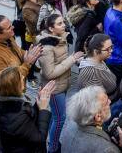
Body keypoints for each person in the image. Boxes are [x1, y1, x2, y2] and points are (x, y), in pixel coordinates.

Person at [37, 14, 84, 153]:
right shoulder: (47, 47)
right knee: (60, 118)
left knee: (54, 117)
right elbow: (49, 73)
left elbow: (60, 62)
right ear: (51, 29)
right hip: (53, 88)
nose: (63, 25)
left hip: (62, 84)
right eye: (59, 24)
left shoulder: (60, 39)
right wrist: (72, 59)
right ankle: (53, 148)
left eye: (63, 22)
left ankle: (51, 141)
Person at [0, 66, 55, 153]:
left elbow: (27, 125)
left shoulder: (3, 104)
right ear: (14, 87)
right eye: (21, 79)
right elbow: (39, 140)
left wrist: (37, 104)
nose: (23, 78)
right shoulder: (16, 115)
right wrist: (43, 110)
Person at [0, 15, 42, 95]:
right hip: (0, 101)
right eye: (9, 28)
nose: (13, 27)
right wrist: (27, 64)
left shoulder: (8, 38)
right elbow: (6, 84)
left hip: (15, 92)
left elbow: (18, 51)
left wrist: (28, 54)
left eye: (11, 25)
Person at [59, 86, 122, 153]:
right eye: (106, 102)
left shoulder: (69, 127)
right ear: (98, 116)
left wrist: (108, 131)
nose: (110, 101)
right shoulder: (107, 149)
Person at [76, 34, 117, 100]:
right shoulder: (90, 73)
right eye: (107, 49)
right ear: (95, 51)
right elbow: (95, 102)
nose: (111, 51)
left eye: (111, 47)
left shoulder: (100, 61)